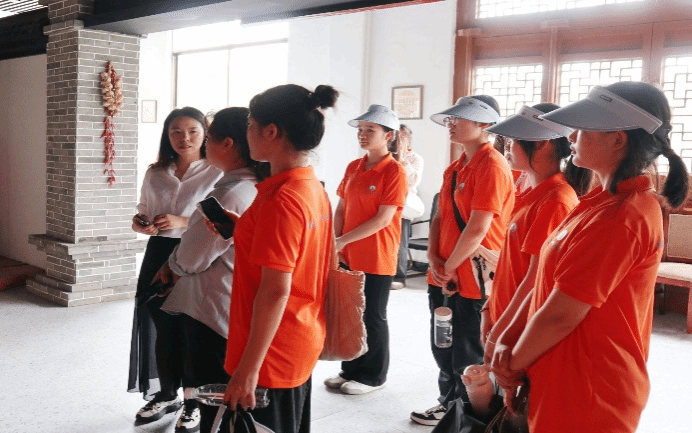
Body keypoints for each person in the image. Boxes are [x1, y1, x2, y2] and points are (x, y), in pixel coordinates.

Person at [490, 82, 689, 433]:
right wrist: (509, 346)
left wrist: (510, 365)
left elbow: (561, 314)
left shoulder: (622, 217)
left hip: (590, 389)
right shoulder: (598, 203)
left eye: (584, 129)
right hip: (562, 372)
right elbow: (542, 286)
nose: (572, 136)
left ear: (618, 140)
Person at [221, 84, 338, 433]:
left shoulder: (282, 199)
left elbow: (275, 290)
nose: (247, 134)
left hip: (271, 352)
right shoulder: (310, 187)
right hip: (298, 337)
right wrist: (244, 229)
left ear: (271, 132)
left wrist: (248, 370)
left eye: (250, 125)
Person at [151, 107, 268, 433]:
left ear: (227, 143)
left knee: (214, 400)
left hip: (212, 308)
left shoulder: (227, 194)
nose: (200, 143)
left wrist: (172, 266)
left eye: (207, 135)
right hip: (232, 303)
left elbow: (193, 256)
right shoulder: (254, 186)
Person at [410, 95, 515, 426]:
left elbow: (478, 227)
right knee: (443, 343)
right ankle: (449, 403)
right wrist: (433, 258)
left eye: (460, 118)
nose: (451, 124)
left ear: (484, 124)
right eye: (450, 118)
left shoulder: (492, 165)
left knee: (467, 349)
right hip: (444, 272)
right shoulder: (455, 168)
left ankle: (467, 412)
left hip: (472, 276)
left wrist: (451, 265)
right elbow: (440, 216)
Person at [128, 107, 222, 428]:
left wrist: (181, 221)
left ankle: (194, 402)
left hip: (196, 253)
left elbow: (221, 219)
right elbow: (143, 209)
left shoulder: (216, 171)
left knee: (191, 329)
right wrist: (141, 223)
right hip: (158, 252)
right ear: (167, 136)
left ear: (205, 134)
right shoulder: (156, 172)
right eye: (176, 132)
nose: (184, 138)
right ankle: (167, 394)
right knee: (161, 325)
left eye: (193, 131)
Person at [481, 103, 592, 361]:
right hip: (505, 317)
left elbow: (534, 279)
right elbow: (512, 266)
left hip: (520, 328)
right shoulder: (533, 195)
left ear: (541, 144)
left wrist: (499, 333)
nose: (507, 147)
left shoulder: (555, 201)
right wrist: (489, 309)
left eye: (513, 141)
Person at [323, 104, 408, 395]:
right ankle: (350, 369)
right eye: (360, 130)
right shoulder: (354, 167)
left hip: (376, 256)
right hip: (347, 253)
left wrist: (343, 241)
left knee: (372, 315)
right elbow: (341, 207)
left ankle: (373, 376)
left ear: (389, 135)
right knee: (350, 313)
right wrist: (335, 241)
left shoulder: (394, 171)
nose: (362, 134)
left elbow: (383, 219)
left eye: (370, 130)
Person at [391, 124, 425, 290]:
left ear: (409, 139)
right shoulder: (386, 155)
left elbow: (413, 181)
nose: (398, 139)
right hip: (384, 202)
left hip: (403, 205)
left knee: (400, 242)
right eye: (396, 136)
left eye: (402, 136)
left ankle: (399, 277)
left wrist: (402, 159)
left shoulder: (415, 159)